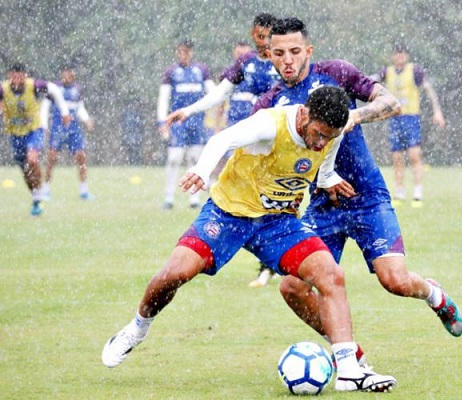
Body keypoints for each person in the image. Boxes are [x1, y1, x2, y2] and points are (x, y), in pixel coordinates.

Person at [102, 86, 398, 393]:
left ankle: (349, 370)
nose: (321, 142)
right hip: (228, 215)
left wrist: (328, 179)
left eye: (330, 136)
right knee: (174, 274)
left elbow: (323, 165)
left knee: (331, 275)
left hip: (277, 223)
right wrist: (203, 171)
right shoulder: (270, 124)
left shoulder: (333, 131)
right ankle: (137, 329)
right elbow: (221, 139)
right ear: (305, 113)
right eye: (319, 134)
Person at [253, 18, 462, 358]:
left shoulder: (336, 73)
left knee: (395, 281)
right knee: (292, 287)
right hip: (322, 207)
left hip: (366, 198)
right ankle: (349, 351)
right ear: (269, 55)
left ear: (309, 51)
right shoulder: (268, 105)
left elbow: (393, 103)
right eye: (279, 53)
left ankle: (433, 294)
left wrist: (355, 116)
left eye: (295, 51)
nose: (288, 60)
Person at [165, 13, 281, 288]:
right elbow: (219, 93)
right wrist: (189, 110)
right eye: (258, 37)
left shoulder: (286, 60)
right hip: (257, 139)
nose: (262, 43)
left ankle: (282, 260)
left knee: (282, 198)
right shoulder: (247, 62)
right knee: (252, 196)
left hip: (285, 140)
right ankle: (264, 262)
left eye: (266, 36)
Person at [371, 44, 446, 208]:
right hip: (394, 119)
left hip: (411, 118)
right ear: (393, 56)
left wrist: (437, 111)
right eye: (396, 54)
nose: (399, 58)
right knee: (397, 157)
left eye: (402, 54)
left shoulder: (415, 71)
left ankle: (417, 193)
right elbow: (369, 81)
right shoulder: (387, 72)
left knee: (414, 155)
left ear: (407, 56)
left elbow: (429, 90)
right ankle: (399, 192)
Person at [0, 63, 71, 216]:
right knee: (25, 170)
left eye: (20, 75)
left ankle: (40, 191)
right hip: (15, 134)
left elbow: (54, 89)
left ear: (25, 76)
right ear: (9, 76)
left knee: (32, 160)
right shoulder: (3, 89)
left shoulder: (34, 86)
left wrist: (64, 111)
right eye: (14, 75)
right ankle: (36, 197)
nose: (17, 79)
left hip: (34, 130)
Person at [157, 39, 215, 209]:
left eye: (186, 51)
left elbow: (213, 93)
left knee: (195, 158)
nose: (183, 55)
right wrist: (162, 121)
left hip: (197, 121)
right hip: (177, 121)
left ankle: (194, 199)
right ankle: (169, 198)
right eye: (180, 51)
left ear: (191, 52)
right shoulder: (171, 72)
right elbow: (163, 98)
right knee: (174, 158)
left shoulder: (201, 70)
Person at [40, 65, 94, 200]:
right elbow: (45, 107)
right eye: (66, 72)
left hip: (74, 129)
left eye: (71, 73)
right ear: (62, 73)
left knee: (81, 157)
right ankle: (46, 189)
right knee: (52, 158)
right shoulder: (54, 88)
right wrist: (44, 125)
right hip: (58, 128)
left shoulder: (78, 89)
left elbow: (80, 108)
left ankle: (84, 191)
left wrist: (86, 119)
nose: (69, 75)